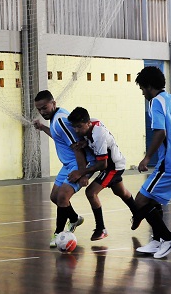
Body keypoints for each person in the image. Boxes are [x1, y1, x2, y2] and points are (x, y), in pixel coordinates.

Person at [131, 66, 171, 259]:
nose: (142, 93)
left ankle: (168, 238)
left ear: (149, 86)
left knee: (140, 201)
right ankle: (157, 240)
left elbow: (160, 132)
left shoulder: (156, 102)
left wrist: (147, 157)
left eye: (142, 88)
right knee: (153, 199)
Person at [67, 106, 137, 241]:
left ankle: (101, 229)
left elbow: (102, 164)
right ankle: (138, 213)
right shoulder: (92, 124)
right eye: (74, 127)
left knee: (91, 192)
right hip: (112, 163)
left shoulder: (98, 135)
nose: (76, 130)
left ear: (88, 123)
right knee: (120, 192)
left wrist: (81, 172)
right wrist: (84, 142)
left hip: (112, 166)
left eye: (79, 127)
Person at [33, 90, 90, 247]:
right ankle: (74, 219)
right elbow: (58, 136)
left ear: (53, 103)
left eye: (44, 107)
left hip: (78, 163)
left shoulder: (60, 120)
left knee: (63, 197)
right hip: (68, 165)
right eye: (39, 109)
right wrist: (43, 128)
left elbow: (77, 148)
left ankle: (59, 234)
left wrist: (82, 173)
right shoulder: (55, 117)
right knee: (54, 197)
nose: (42, 112)